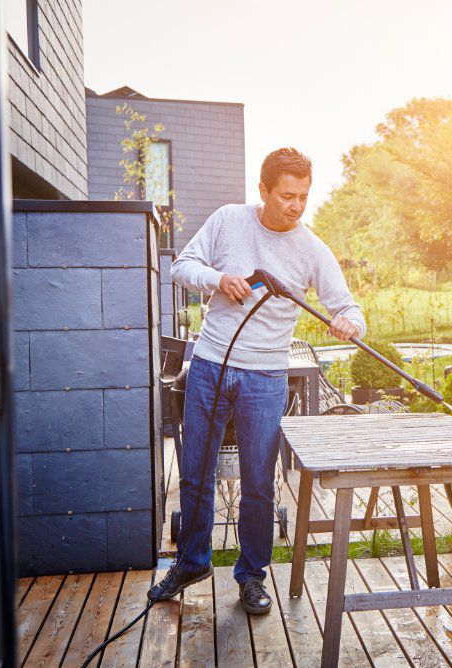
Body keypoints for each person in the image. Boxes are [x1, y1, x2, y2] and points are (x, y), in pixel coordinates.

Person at [148, 148, 366, 614]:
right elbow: (181, 267)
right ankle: (191, 561)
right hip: (210, 365)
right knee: (195, 472)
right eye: (287, 195)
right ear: (263, 190)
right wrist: (218, 279)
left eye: (303, 197)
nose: (296, 205)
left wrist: (349, 323)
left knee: (260, 483)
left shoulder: (312, 248)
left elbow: (349, 309)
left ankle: (251, 575)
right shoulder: (229, 220)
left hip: (267, 375)